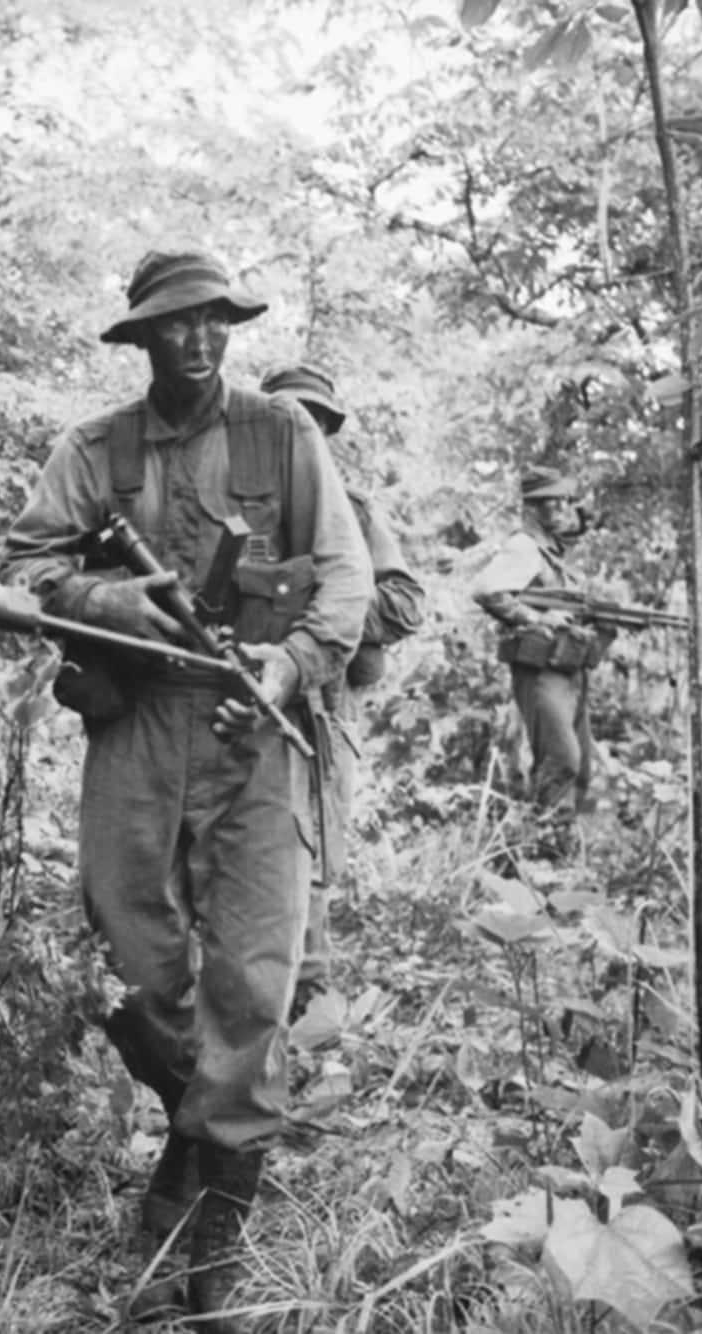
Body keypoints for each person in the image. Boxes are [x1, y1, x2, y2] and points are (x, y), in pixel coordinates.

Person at [2, 250, 371, 1329]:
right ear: (144, 339)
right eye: (176, 325)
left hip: (256, 718)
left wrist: (291, 663)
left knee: (256, 967)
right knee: (126, 952)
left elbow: (345, 574)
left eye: (213, 321)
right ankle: (198, 1121)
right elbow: (25, 563)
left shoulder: (283, 433)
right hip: (141, 720)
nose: (199, 340)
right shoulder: (96, 447)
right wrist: (109, 602)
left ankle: (214, 1212)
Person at [260, 364, 424, 1011]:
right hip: (241, 700)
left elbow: (406, 602)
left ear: (327, 431)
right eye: (287, 419)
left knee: (314, 840)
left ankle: (307, 992)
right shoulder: (230, 504)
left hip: (323, 705)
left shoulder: (351, 510)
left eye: (314, 421)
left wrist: (331, 617)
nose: (302, 433)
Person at [470, 465, 603, 860]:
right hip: (541, 671)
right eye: (554, 500)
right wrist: (535, 618)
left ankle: (562, 854)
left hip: (567, 669)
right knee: (562, 759)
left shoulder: (551, 550)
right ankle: (542, 856)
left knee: (581, 765)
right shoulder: (525, 546)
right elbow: (486, 589)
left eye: (565, 499)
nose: (564, 507)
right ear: (532, 507)